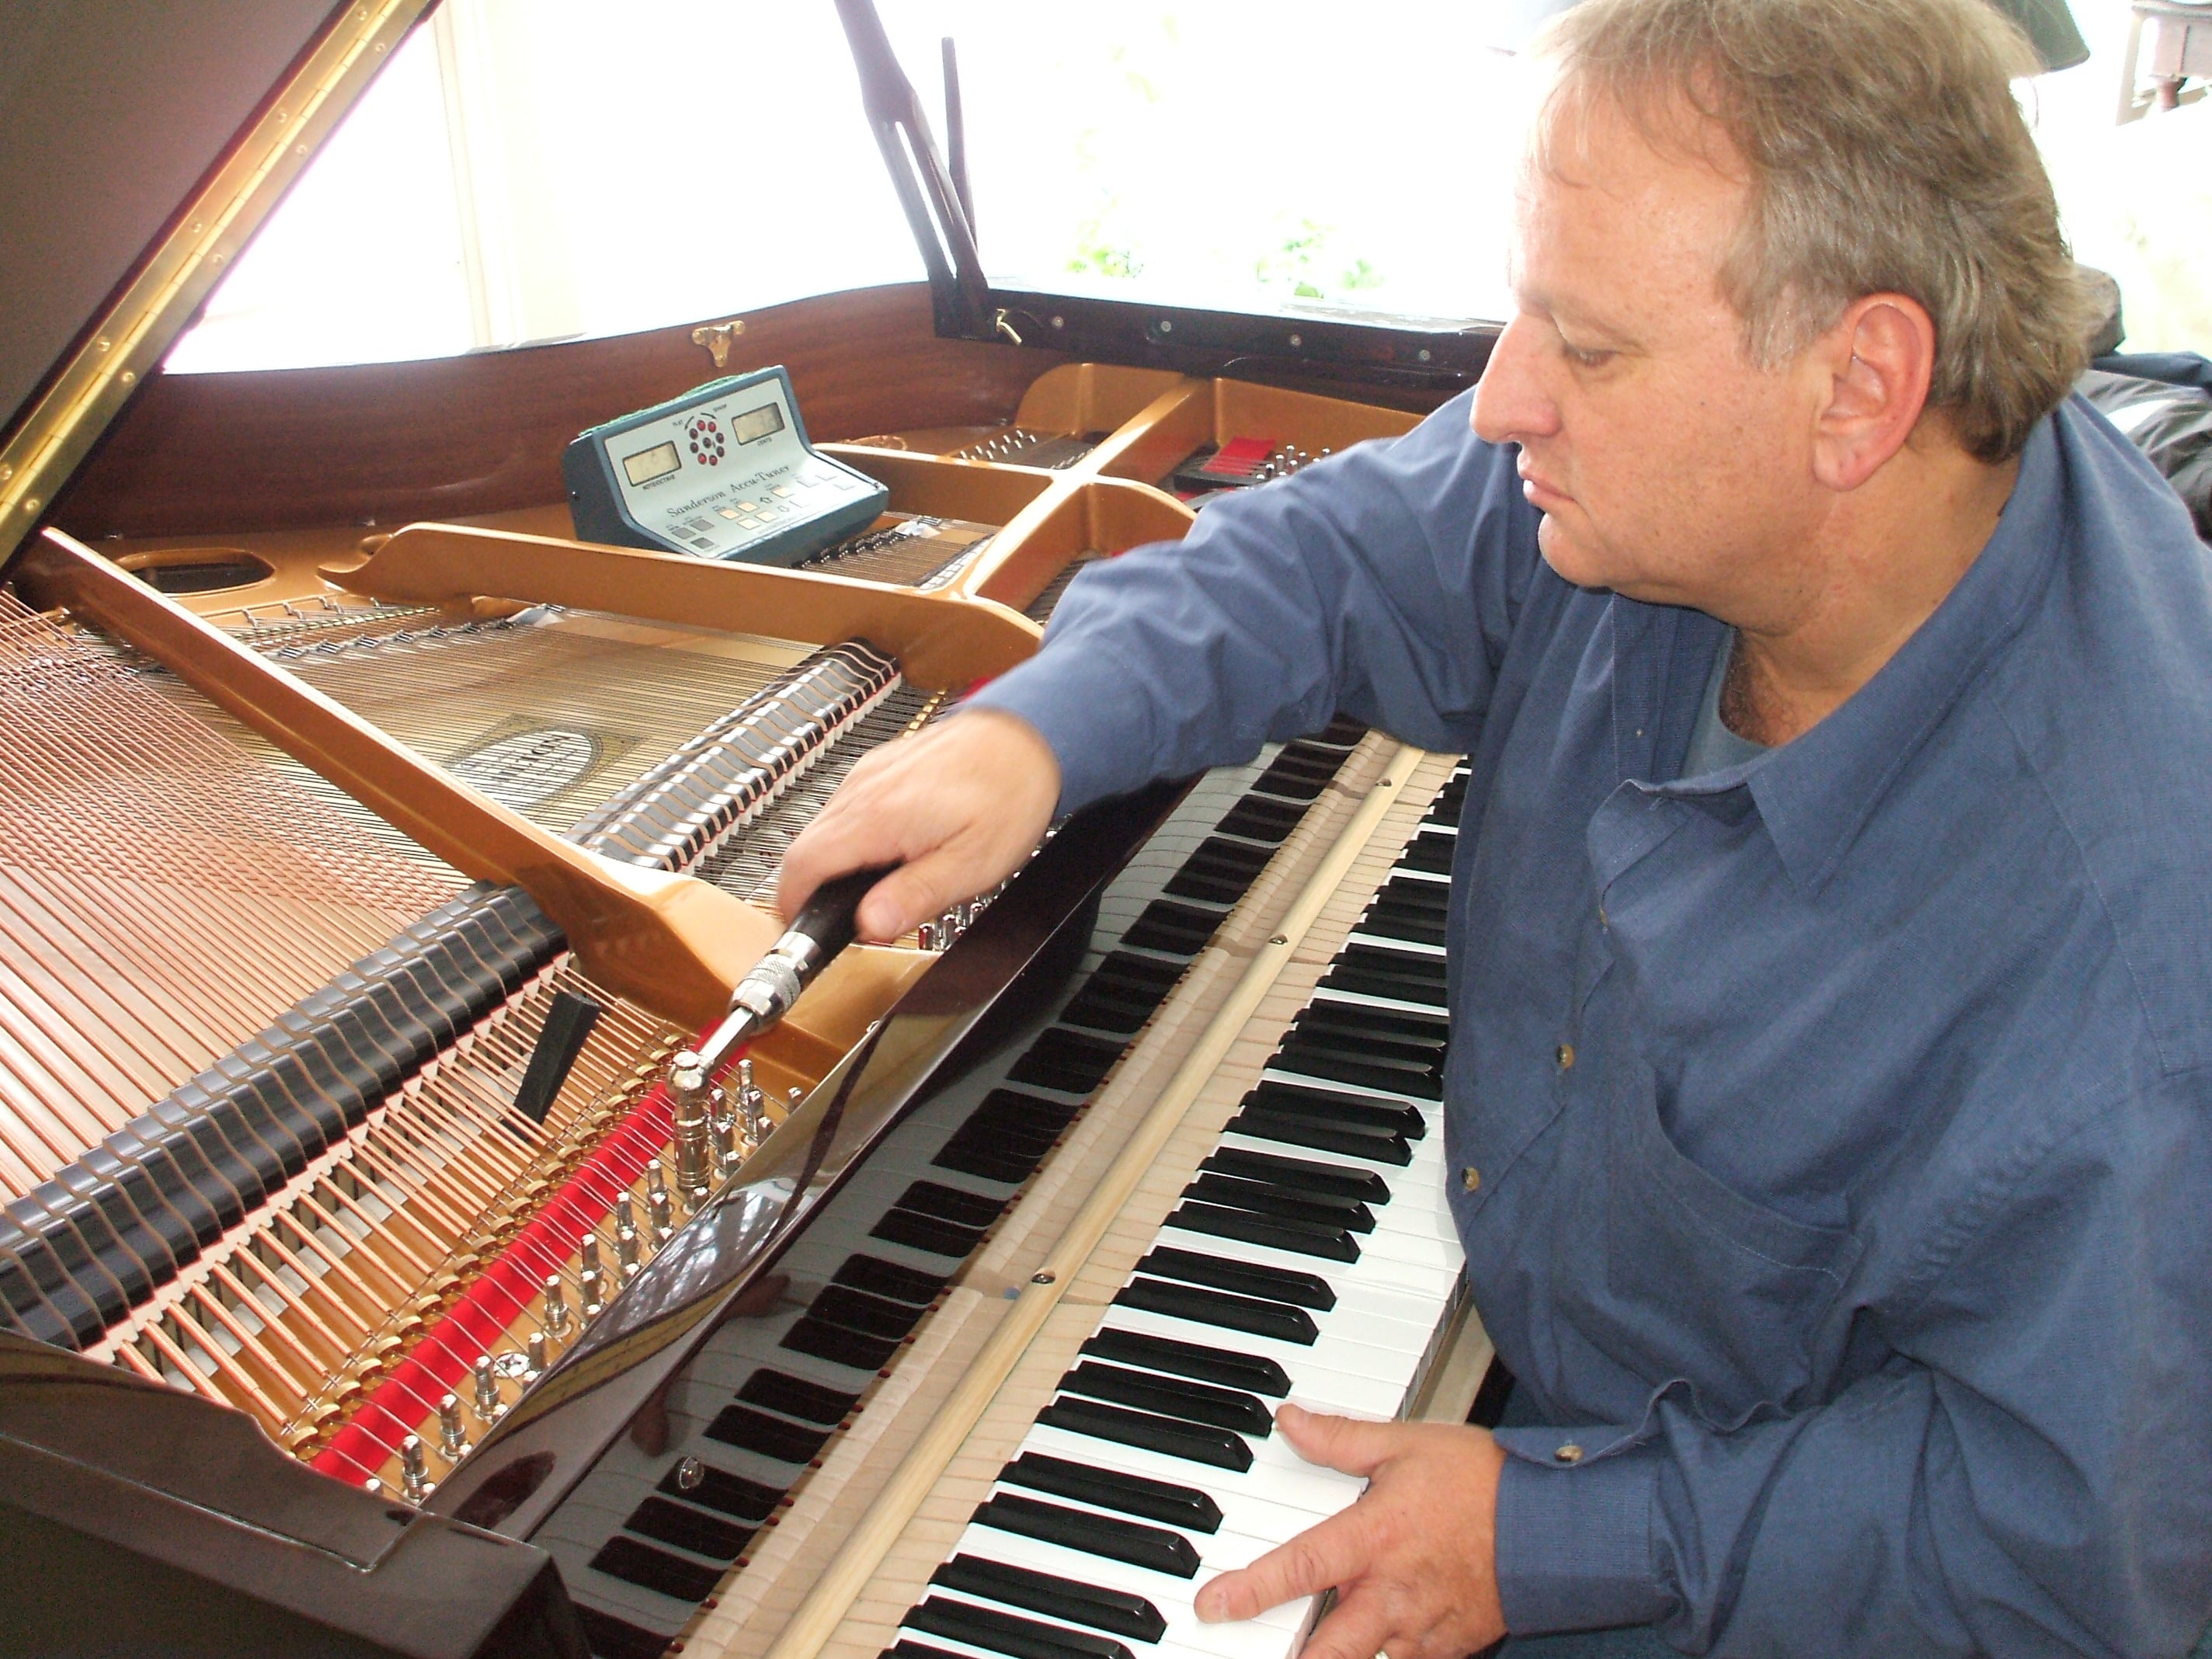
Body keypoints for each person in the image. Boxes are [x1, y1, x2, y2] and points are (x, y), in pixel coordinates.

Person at [777, 0, 2212, 1650]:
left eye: (1583, 347)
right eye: (1520, 309)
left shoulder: (2131, 953)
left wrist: (1549, 1539)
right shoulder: (1658, 503)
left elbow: (2056, 1555)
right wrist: (1036, 733)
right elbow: (1329, 555)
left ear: (1857, 387)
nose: (1503, 395)